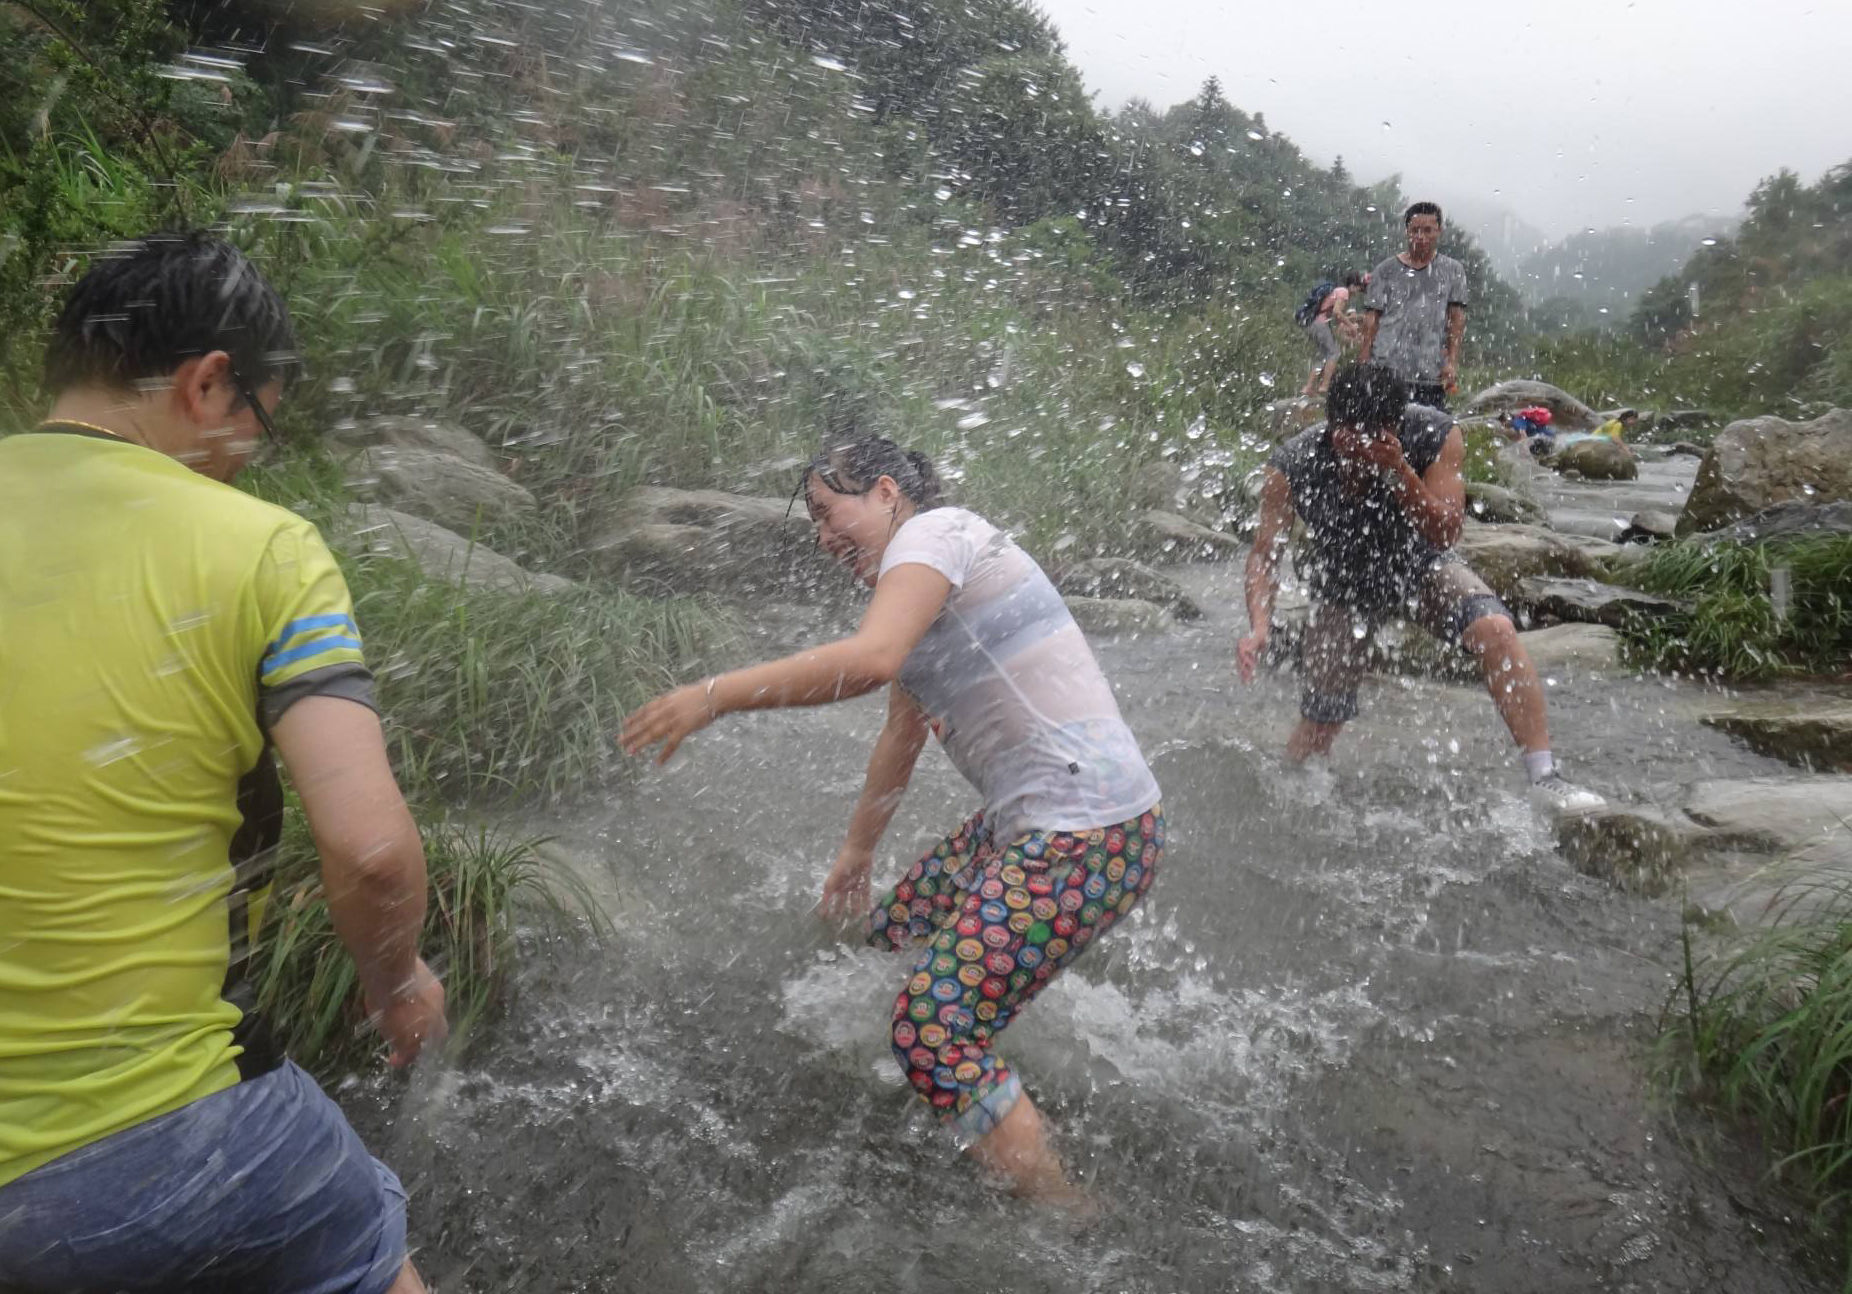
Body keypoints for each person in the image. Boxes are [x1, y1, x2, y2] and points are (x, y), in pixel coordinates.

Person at [0, 233, 446, 1294]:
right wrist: (395, 982)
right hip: (155, 1131)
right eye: (259, 421)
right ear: (208, 382)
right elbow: (373, 850)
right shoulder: (262, 548)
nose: (250, 455)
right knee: (360, 1251)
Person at [620, 436, 1164, 1203]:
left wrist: (712, 695)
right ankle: (988, 1074)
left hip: (1090, 836)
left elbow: (871, 660)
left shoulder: (934, 533)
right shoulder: (923, 581)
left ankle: (1069, 1219)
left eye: (824, 510)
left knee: (930, 1030)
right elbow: (901, 733)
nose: (821, 536)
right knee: (888, 942)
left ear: (883, 492)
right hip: (1040, 824)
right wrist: (856, 854)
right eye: (812, 523)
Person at [1235, 362, 1604, 814]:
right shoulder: (1292, 464)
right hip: (1343, 586)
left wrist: (1398, 472)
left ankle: (1545, 777)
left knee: (1496, 630)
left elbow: (1446, 532)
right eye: (1343, 432)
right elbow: (1264, 553)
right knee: (1320, 719)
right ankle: (1289, 796)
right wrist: (1259, 626)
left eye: (1369, 435)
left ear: (1393, 427)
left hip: (1420, 565)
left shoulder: (1435, 434)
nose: (1353, 446)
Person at [1357, 202, 1470, 411]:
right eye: (1415, 230)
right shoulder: (1386, 269)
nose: (1421, 236)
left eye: (1428, 230)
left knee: (1426, 434)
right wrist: (1364, 360)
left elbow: (1456, 320)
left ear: (1439, 231)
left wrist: (1452, 362)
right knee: (1383, 432)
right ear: (1407, 231)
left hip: (1430, 371)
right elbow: (1372, 318)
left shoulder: (1453, 270)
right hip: (1386, 368)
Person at [1300, 270, 1369, 398]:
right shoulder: (1344, 292)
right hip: (1319, 323)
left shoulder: (1337, 291)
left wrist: (1353, 321)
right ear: (1353, 286)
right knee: (1334, 353)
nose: (1358, 292)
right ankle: (1324, 386)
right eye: (1358, 289)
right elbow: (1337, 312)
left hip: (1312, 323)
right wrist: (1351, 327)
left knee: (1323, 355)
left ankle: (1308, 387)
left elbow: (1337, 317)